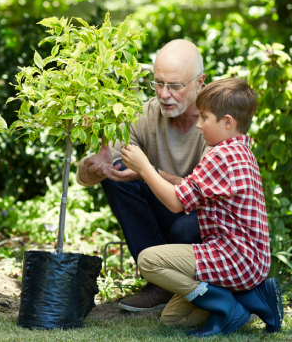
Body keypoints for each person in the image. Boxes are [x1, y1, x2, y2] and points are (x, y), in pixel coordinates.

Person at [118, 78, 281, 336]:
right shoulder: (242, 151)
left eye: (204, 118)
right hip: (250, 260)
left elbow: (175, 203)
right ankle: (252, 298)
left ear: (227, 122)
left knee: (148, 261)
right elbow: (190, 188)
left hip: (234, 257)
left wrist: (144, 167)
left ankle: (225, 304)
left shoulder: (221, 156)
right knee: (173, 318)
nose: (198, 124)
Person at [76, 40, 207, 311]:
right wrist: (94, 167)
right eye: (158, 83)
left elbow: (207, 194)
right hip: (168, 212)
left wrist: (149, 172)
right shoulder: (146, 114)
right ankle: (159, 284)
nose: (164, 94)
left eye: (175, 86)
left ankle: (194, 286)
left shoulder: (217, 119)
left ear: (199, 82)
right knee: (117, 175)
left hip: (205, 224)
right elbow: (87, 177)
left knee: (186, 225)